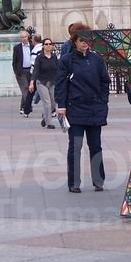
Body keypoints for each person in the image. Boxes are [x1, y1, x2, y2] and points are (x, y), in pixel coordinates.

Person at [55, 23, 109, 193]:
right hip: (75, 108)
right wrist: (61, 106)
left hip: (94, 108)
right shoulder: (66, 60)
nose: (84, 43)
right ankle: (74, 182)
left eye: (87, 39)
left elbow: (104, 82)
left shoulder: (97, 59)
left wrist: (103, 100)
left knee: (96, 146)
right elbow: (61, 84)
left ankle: (98, 180)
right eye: (81, 40)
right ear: (75, 42)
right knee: (75, 146)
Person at [30, 37, 58, 128]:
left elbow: (58, 69)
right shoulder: (39, 58)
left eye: (50, 44)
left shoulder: (54, 57)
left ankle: (45, 118)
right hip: (41, 82)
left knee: (53, 103)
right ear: (43, 46)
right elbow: (36, 71)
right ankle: (49, 123)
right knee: (47, 102)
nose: (48, 46)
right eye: (46, 44)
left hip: (52, 82)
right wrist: (32, 82)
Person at [12, 30, 33, 117]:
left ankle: (23, 107)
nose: (24, 39)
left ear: (28, 37)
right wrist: (17, 72)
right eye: (22, 37)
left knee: (29, 90)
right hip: (21, 72)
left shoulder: (32, 47)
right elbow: (14, 61)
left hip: (31, 71)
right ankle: (28, 106)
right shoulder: (17, 48)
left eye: (25, 37)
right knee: (25, 89)